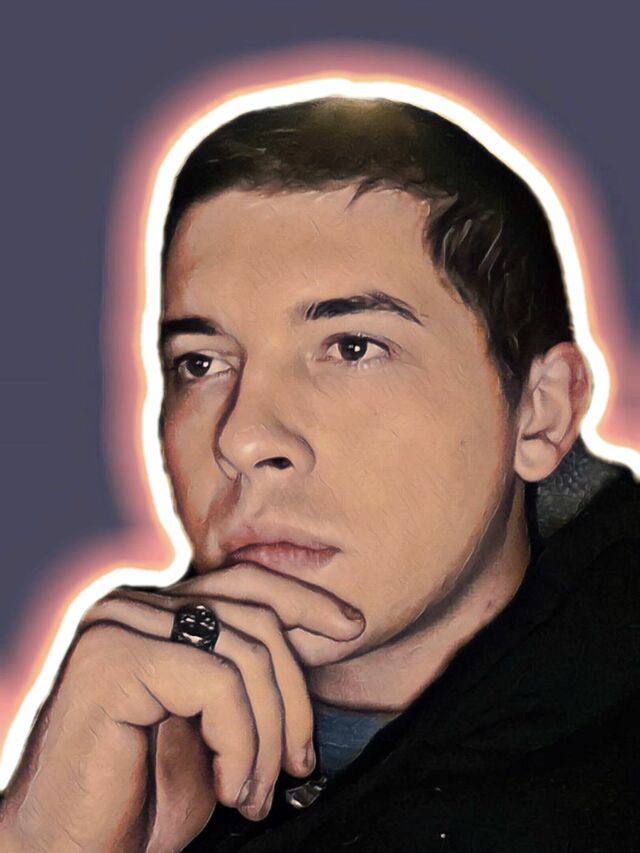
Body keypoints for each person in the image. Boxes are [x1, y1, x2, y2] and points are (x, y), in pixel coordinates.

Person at [1, 97, 638, 852]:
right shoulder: (136, 727)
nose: (241, 438)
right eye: (200, 363)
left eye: (352, 348)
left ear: (540, 413)